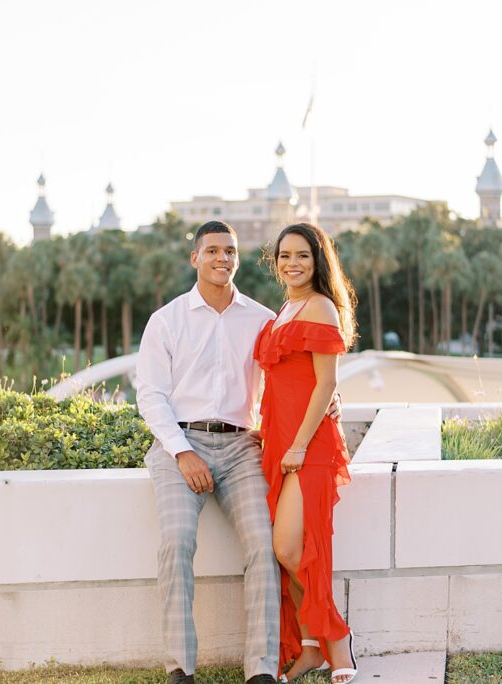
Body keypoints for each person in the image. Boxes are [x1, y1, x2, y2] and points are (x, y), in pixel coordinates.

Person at [136, 220, 282, 684]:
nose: (223, 258)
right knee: (177, 542)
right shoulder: (167, 320)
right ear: (195, 258)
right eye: (213, 250)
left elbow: (287, 379)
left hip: (241, 447)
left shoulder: (261, 319)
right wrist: (181, 452)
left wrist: (328, 398)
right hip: (179, 445)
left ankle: (260, 671)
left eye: (231, 251)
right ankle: (180, 668)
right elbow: (151, 395)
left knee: (265, 544)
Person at [254, 222, 358, 684]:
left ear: (318, 261)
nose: (292, 264)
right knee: (289, 550)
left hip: (307, 445)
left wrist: (298, 444)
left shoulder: (319, 307)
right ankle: (313, 647)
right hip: (278, 442)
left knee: (292, 547)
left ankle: (338, 645)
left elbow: (327, 382)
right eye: (284, 256)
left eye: (302, 256)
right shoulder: (286, 308)